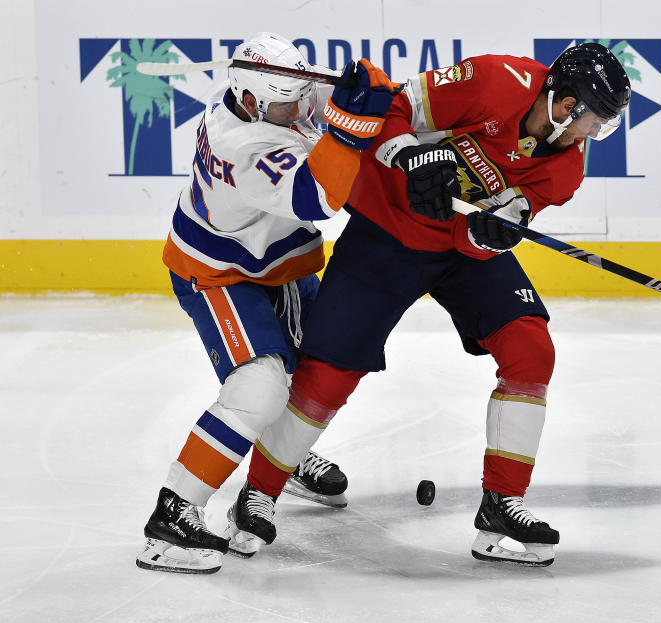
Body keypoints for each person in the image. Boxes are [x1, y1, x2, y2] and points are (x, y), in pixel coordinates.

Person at [241, 42, 631, 566]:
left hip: (456, 249)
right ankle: (259, 494)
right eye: (594, 121)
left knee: (530, 350)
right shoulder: (495, 80)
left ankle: (502, 505)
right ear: (564, 104)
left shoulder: (565, 171)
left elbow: (497, 225)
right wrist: (410, 156)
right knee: (329, 371)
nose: (593, 136)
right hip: (388, 230)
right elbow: (397, 107)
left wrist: (492, 233)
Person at [135, 31, 396, 574]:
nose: (299, 108)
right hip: (222, 272)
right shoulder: (242, 144)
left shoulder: (276, 96)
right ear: (251, 102)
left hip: (280, 262)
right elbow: (316, 197)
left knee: (318, 369)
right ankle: (171, 517)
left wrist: (374, 95)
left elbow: (341, 107)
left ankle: (282, 459)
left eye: (300, 95)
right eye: (285, 103)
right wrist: (353, 123)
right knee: (258, 391)